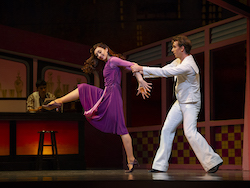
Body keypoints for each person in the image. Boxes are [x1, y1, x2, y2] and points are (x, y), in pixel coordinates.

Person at [43, 42, 152, 173]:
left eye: (100, 52)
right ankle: (59, 101)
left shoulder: (113, 60)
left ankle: (131, 160)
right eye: (97, 54)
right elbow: (132, 68)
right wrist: (139, 79)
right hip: (106, 93)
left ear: (106, 49)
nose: (99, 55)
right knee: (83, 88)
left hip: (112, 95)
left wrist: (140, 81)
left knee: (121, 128)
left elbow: (133, 65)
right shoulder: (109, 63)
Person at [131, 35, 223, 173]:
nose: (172, 50)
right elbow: (164, 69)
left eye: (174, 47)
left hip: (191, 103)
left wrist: (140, 68)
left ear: (182, 48)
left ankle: (212, 161)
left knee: (190, 132)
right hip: (180, 102)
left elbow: (165, 72)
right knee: (167, 129)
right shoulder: (178, 61)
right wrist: (141, 73)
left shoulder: (188, 65)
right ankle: (159, 166)